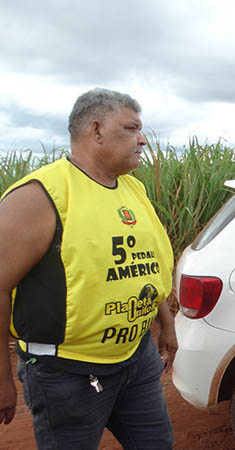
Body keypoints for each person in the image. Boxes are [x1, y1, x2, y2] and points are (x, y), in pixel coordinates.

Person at [0, 88, 177, 449]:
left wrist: (167, 323)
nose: (142, 140)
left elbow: (143, 267)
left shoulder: (133, 190)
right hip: (67, 373)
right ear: (96, 130)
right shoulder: (40, 196)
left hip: (136, 357)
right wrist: (1, 377)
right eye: (131, 128)